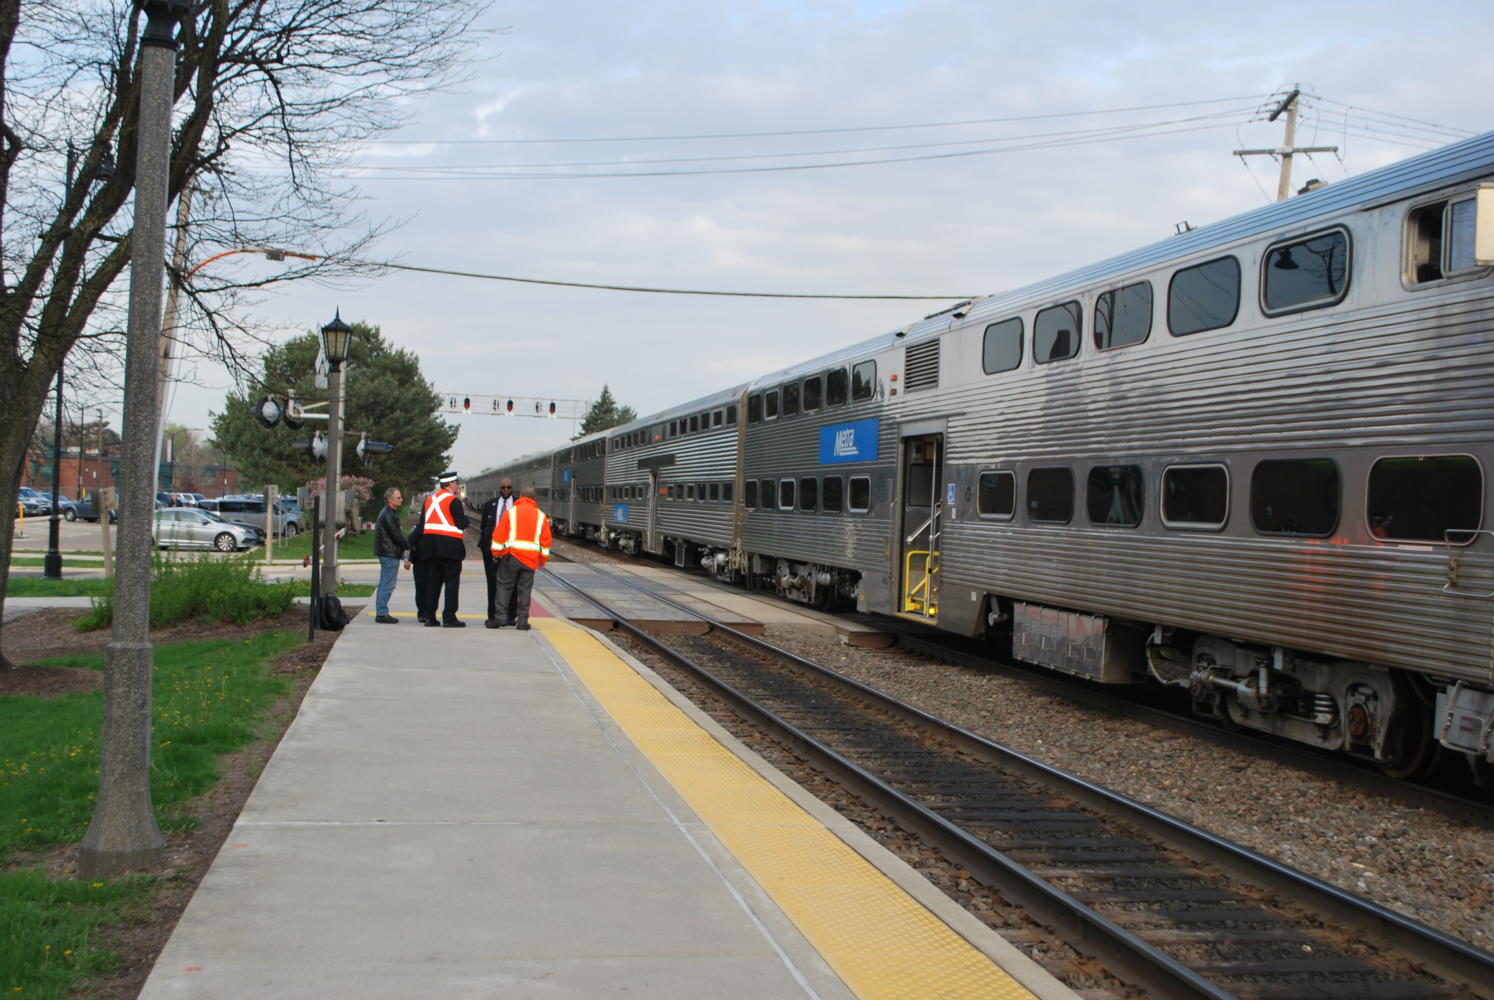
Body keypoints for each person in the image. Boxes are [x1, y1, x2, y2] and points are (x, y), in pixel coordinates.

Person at [490, 485, 551, 631]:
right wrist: (542, 559)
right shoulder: (541, 516)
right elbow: (546, 541)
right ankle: (522, 622)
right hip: (530, 560)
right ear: (533, 498)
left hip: (511, 557)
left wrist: (496, 553)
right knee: (525, 590)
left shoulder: (511, 513)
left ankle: (500, 618)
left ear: (521, 496)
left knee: (504, 587)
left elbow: (499, 535)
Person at [421, 471, 470, 627]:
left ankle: (429, 616)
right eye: (455, 483)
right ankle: (449, 617)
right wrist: (466, 518)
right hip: (450, 549)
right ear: (450, 484)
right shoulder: (453, 501)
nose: (457, 486)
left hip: (431, 548)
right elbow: (461, 523)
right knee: (451, 583)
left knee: (433, 582)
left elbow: (423, 523)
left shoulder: (429, 500)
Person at [480, 479, 518, 628]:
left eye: (509, 487)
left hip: (511, 551)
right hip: (492, 551)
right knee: (492, 583)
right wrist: (485, 546)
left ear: (513, 488)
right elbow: (484, 526)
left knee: (512, 584)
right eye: (503, 487)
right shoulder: (490, 504)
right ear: (499, 488)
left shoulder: (517, 504)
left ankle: (510, 615)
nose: (506, 489)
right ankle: (493, 614)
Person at [372, 486, 411, 623]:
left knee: (386, 582)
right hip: (389, 553)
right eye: (398, 497)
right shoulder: (388, 515)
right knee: (387, 583)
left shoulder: (389, 513)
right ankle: (382, 613)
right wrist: (408, 546)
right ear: (389, 499)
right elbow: (396, 535)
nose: (401, 499)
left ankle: (382, 611)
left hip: (388, 552)